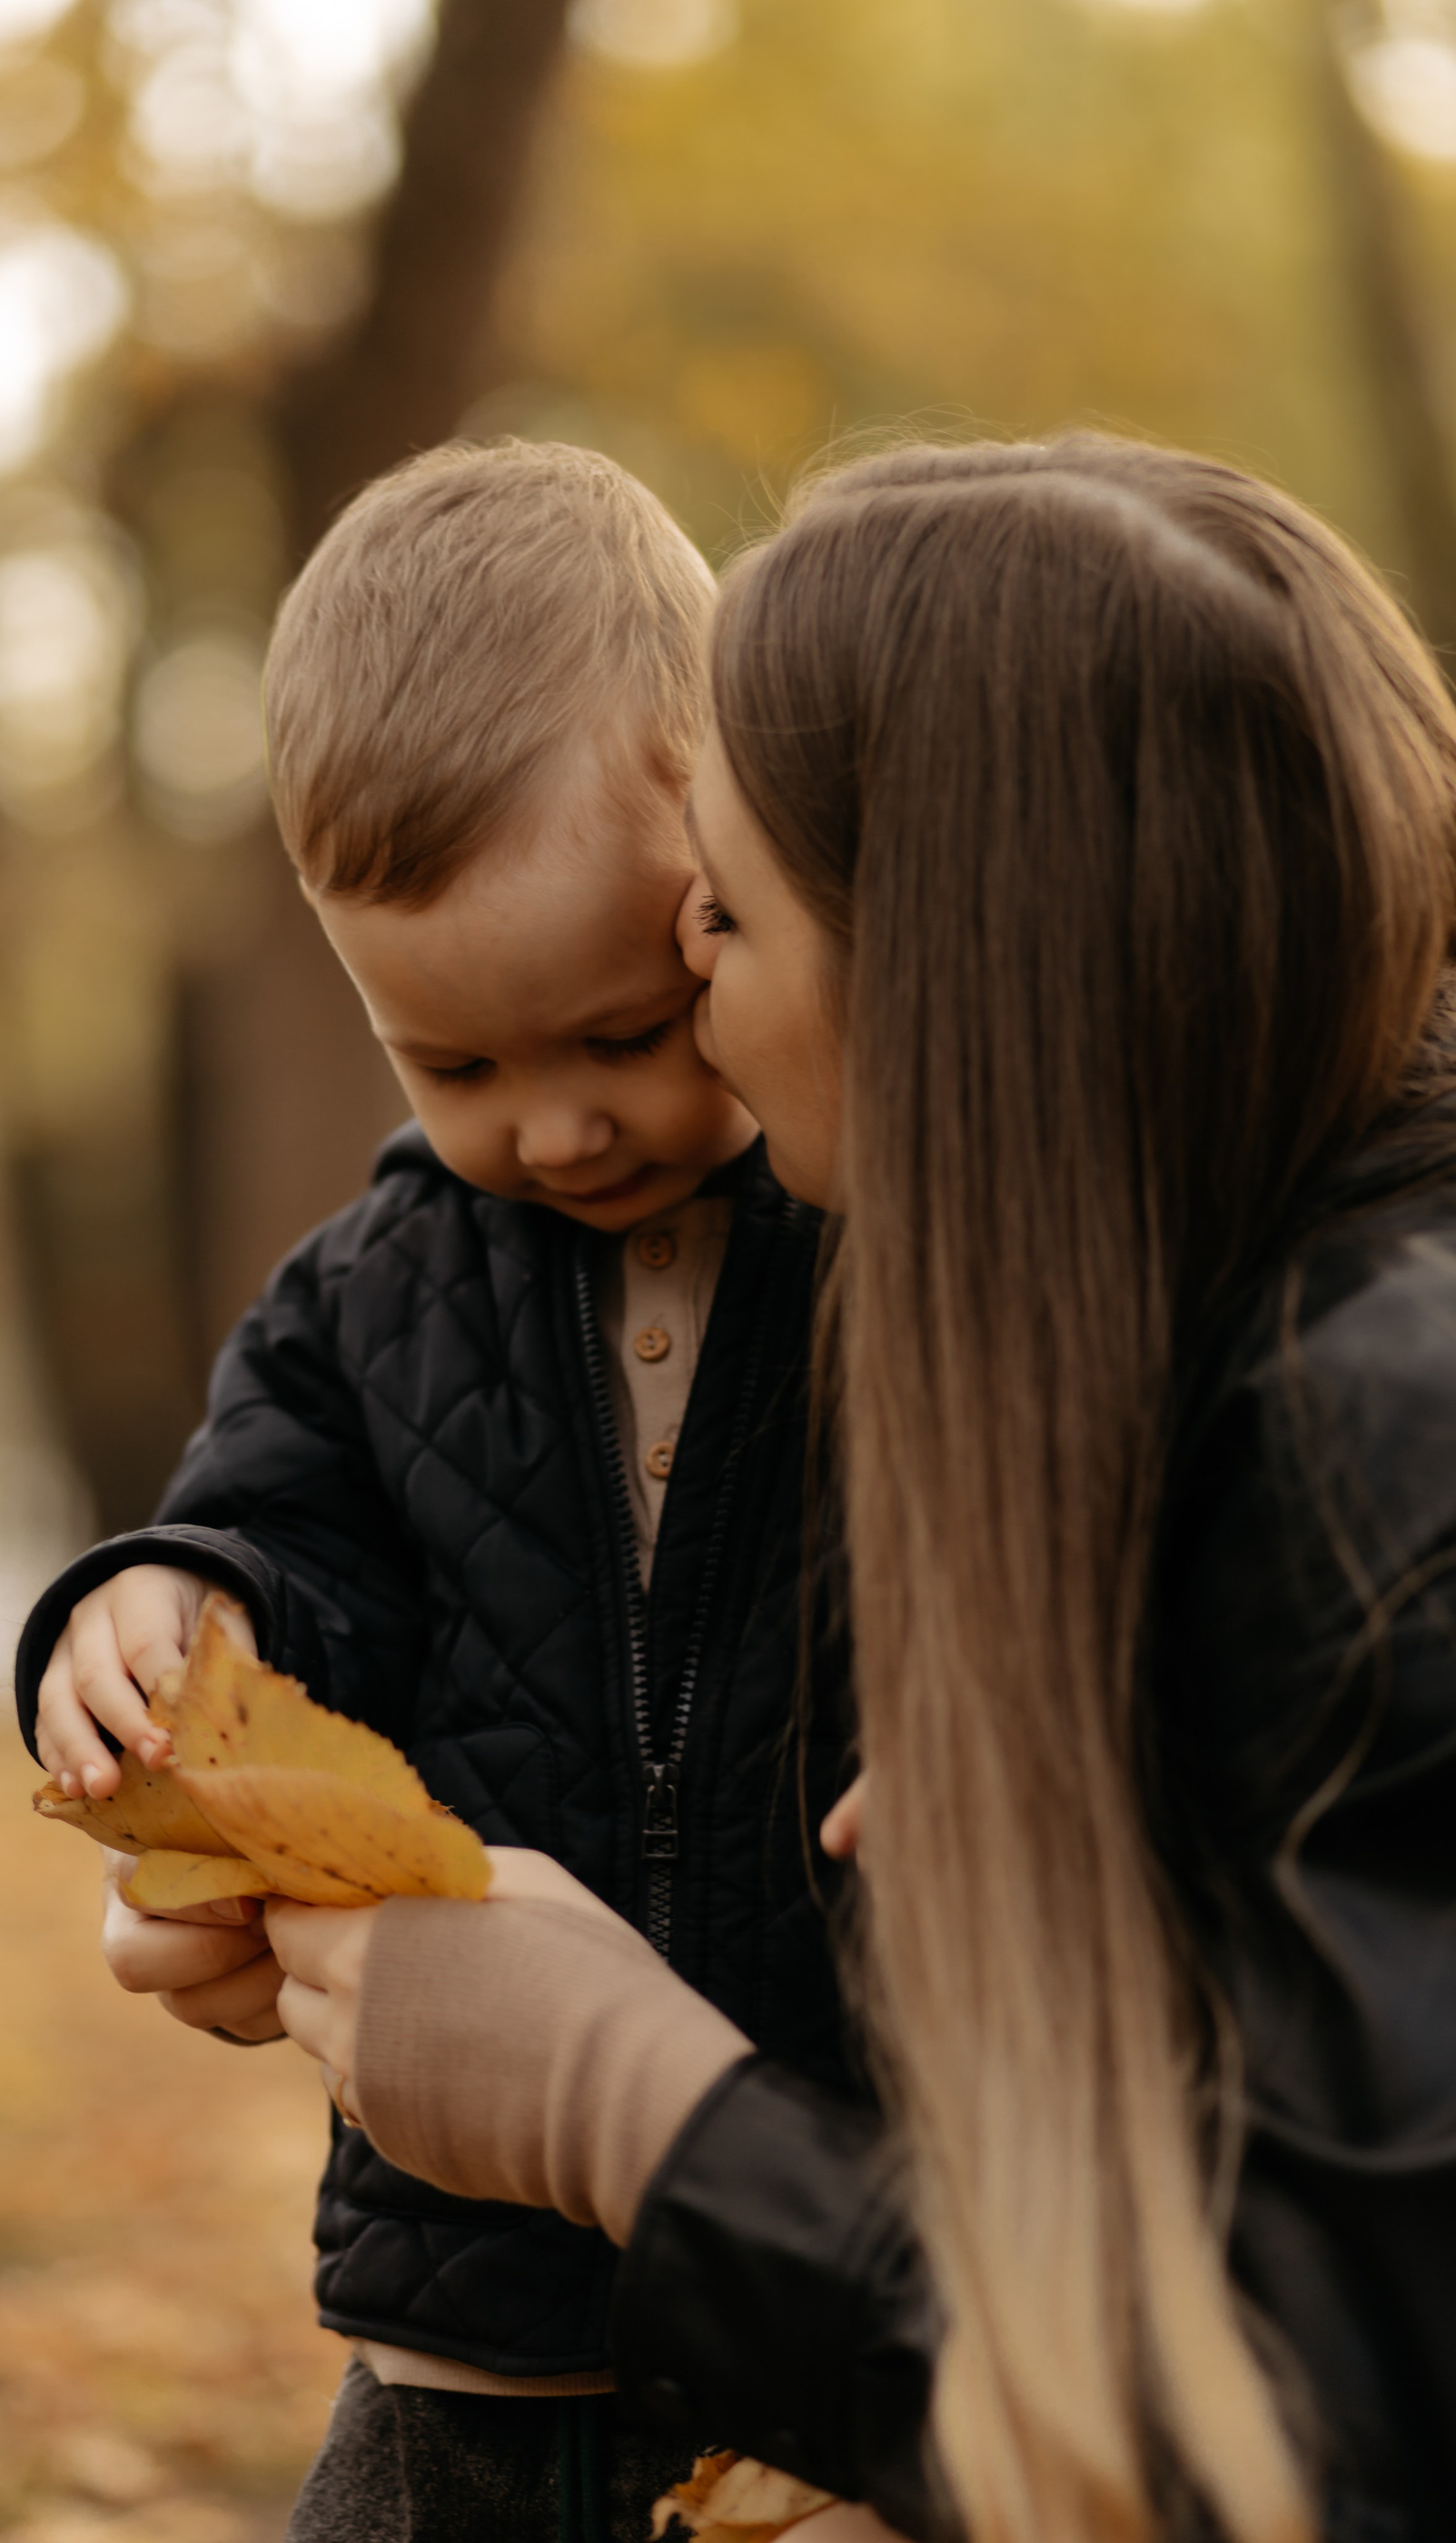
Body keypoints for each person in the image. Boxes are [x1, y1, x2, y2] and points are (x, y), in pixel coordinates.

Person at [263, 436, 1456, 2543]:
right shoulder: (1237, 1373)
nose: (687, 991)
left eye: (718, 909)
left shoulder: (1386, 1473)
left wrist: (632, 2106)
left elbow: (1319, 2428)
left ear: (946, 967)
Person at [13, 439, 861, 2543]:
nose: (562, 1129)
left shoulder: (890, 1227)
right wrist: (157, 1609)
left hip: (824, 2257)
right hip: (466, 2301)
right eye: (457, 1069)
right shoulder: (378, 1291)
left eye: (625, 1029)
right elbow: (279, 1540)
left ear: (729, 870)